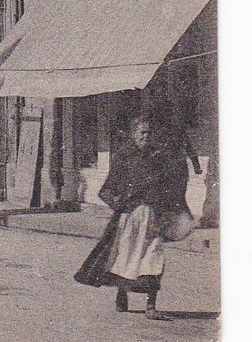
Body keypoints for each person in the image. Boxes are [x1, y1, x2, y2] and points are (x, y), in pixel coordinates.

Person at [75, 113, 193, 320]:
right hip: (130, 218)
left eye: (149, 132)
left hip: (153, 217)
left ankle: (151, 306)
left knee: (154, 258)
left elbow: (170, 184)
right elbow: (106, 190)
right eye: (142, 132)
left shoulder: (158, 157)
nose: (146, 136)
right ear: (133, 135)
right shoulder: (124, 158)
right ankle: (121, 294)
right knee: (126, 258)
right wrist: (121, 205)